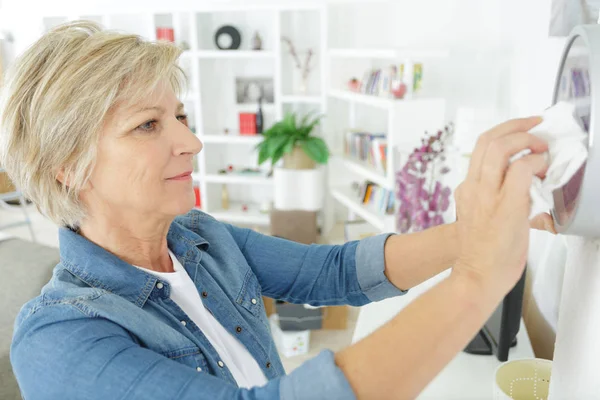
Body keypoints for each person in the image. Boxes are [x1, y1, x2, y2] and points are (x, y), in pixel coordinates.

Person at [0, 21, 555, 400]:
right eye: (148, 125)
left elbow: (333, 271)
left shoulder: (199, 240)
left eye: (179, 117)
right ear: (66, 165)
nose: (191, 143)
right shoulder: (59, 340)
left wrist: (477, 231)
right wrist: (480, 277)